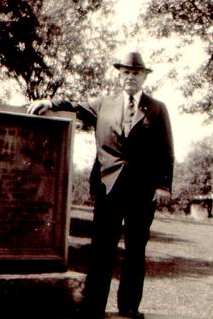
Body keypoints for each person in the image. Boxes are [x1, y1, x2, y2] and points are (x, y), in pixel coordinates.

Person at [28, 51, 174, 319]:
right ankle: (93, 306)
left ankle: (129, 307)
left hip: (143, 190)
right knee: (102, 249)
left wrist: (164, 185)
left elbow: (166, 149)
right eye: (126, 72)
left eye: (136, 73)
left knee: (135, 248)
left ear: (144, 77)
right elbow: (74, 106)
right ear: (120, 75)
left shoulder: (157, 108)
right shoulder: (103, 104)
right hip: (109, 186)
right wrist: (50, 102)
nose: (130, 77)